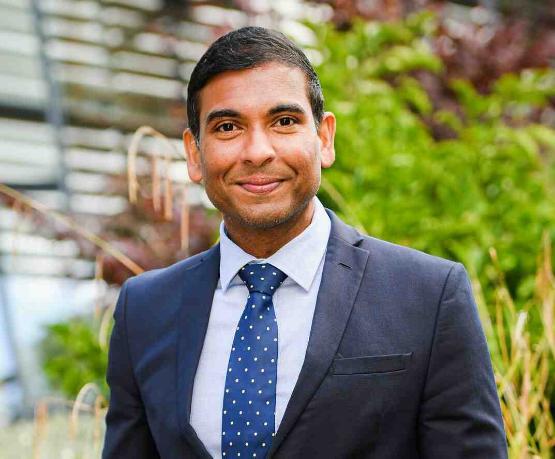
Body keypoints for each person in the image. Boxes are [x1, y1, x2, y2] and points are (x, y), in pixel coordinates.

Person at [102, 26, 508, 459]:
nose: (257, 151)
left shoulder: (429, 296)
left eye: (284, 121)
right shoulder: (143, 310)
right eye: (227, 127)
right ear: (194, 154)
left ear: (325, 138)